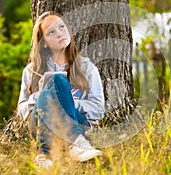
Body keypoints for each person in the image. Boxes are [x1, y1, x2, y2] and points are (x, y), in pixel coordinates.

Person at [17, 11, 105, 168]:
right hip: (42, 124)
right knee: (57, 80)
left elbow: (98, 109)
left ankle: (44, 154)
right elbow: (22, 110)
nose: (60, 34)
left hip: (79, 123)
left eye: (62, 27)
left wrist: (70, 103)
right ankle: (76, 144)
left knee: (58, 80)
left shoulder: (87, 68)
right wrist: (41, 96)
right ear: (43, 42)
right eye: (51, 32)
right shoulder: (31, 71)